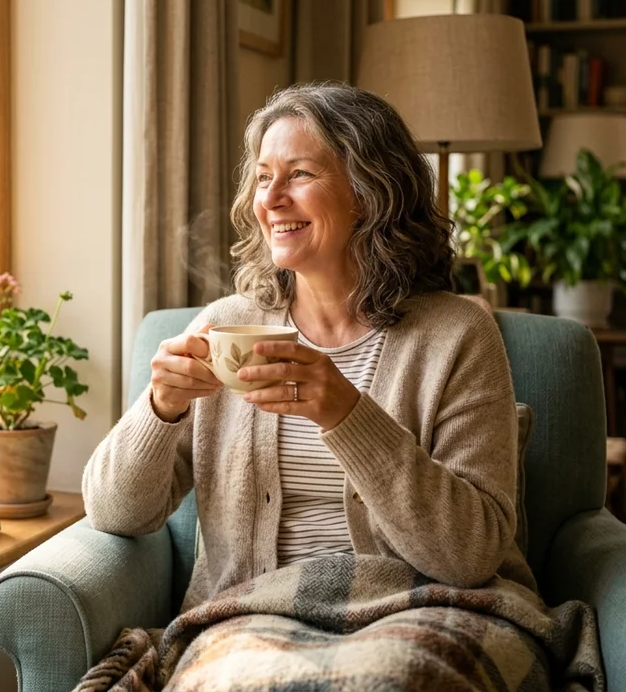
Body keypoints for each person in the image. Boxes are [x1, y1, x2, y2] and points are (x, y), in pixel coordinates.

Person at [82, 83, 541, 684]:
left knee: (390, 678)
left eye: (298, 174)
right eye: (263, 176)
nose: (269, 198)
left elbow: (470, 554)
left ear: (370, 193)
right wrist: (159, 409)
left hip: (426, 606)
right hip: (249, 615)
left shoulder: (456, 334)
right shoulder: (227, 326)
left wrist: (347, 415)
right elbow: (114, 513)